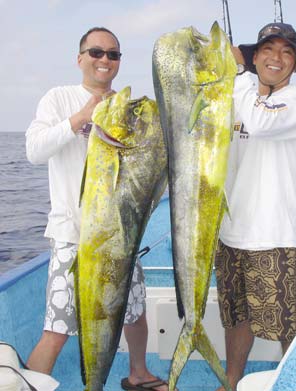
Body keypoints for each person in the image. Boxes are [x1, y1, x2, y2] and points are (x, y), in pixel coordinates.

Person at [25, 27, 171, 391]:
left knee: (134, 314)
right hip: (73, 236)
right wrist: (80, 119)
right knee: (57, 328)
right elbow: (33, 151)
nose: (104, 60)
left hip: (121, 234)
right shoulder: (58, 98)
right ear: (80, 59)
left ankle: (137, 373)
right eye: (96, 52)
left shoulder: (127, 111)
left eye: (113, 54)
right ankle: (26, 385)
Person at [214, 22, 296, 391]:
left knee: (287, 324)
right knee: (236, 318)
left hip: (272, 236)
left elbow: (258, 121)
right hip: (228, 232)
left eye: (286, 52)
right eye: (267, 50)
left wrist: (238, 70)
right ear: (256, 55)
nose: (276, 58)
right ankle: (231, 383)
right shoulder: (233, 98)